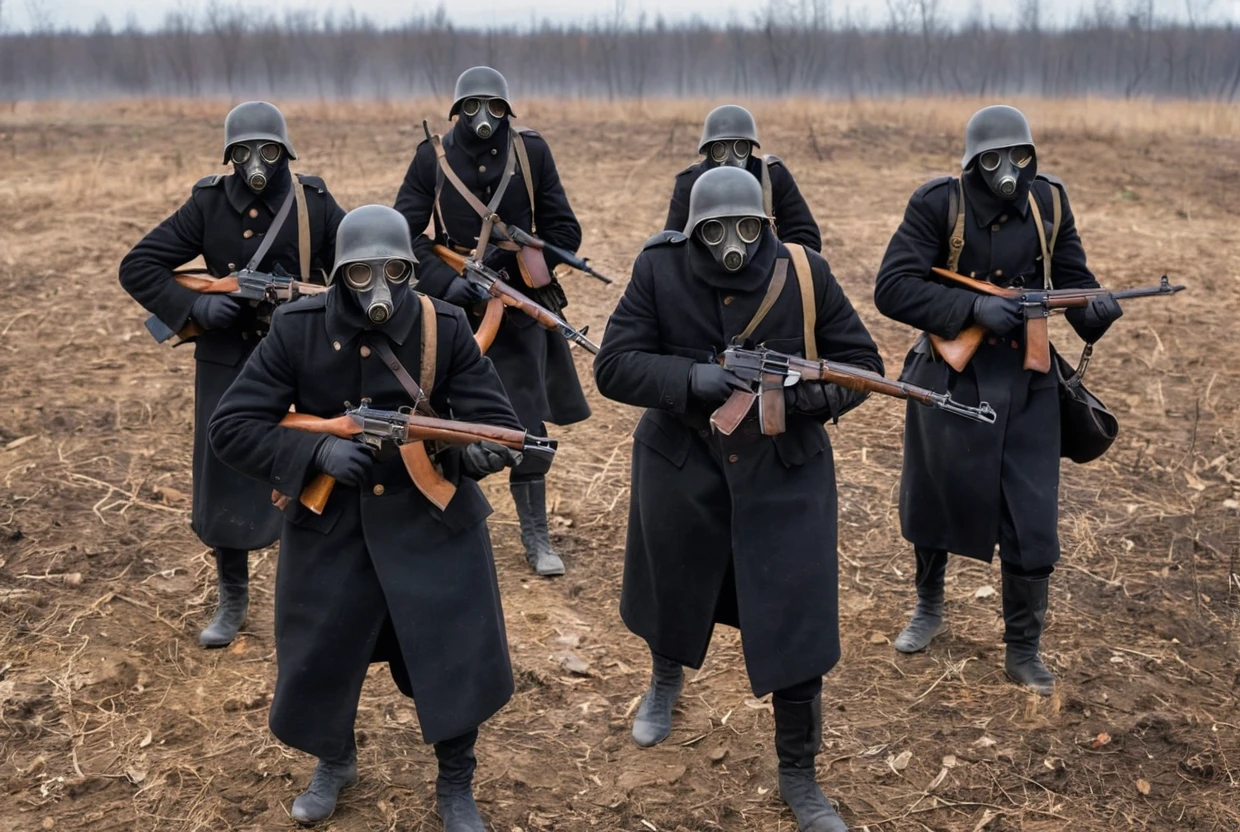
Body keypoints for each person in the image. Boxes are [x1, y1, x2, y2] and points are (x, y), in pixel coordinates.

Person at [208, 205, 521, 831]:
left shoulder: (444, 327)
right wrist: (316, 448)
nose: (380, 288)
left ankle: (456, 783)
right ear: (337, 274)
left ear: (411, 268)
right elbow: (231, 428)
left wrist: (485, 454)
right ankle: (334, 760)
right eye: (361, 274)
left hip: (431, 519)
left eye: (395, 271)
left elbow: (497, 421)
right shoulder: (296, 329)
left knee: (453, 654)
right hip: (331, 522)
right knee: (323, 655)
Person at [594, 167, 882, 832]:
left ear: (765, 226)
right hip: (682, 465)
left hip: (785, 473)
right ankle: (664, 685)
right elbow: (614, 365)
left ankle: (799, 775)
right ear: (693, 229)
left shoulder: (806, 274)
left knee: (796, 623)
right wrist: (694, 378)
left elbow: (862, 363)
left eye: (747, 229)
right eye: (716, 231)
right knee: (674, 590)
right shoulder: (658, 270)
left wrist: (809, 397)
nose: (733, 243)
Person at [873, 105, 1124, 695]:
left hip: (1027, 375)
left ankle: (1023, 647)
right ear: (971, 164)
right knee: (935, 497)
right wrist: (970, 308)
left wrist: (1095, 315)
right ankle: (929, 608)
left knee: (1031, 515)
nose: (1007, 170)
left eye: (1019, 157)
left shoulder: (1051, 204)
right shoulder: (939, 204)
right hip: (948, 375)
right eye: (992, 160)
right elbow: (893, 286)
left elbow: (1070, 282)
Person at [118, 101, 345, 648]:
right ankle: (232, 596)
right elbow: (139, 266)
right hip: (228, 361)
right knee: (225, 472)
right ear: (229, 157)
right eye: (244, 153)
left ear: (285, 152)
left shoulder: (313, 202)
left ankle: (314, 596)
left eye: (268, 151)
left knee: (313, 464)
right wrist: (195, 310)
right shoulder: (208, 204)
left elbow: (349, 276)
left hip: (299, 359)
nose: (257, 162)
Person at [394, 65, 589, 578]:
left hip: (518, 311)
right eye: (474, 108)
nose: (485, 118)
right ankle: (454, 527)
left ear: (507, 111)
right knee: (450, 420)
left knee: (524, 421)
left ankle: (535, 536)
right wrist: (445, 281)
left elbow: (565, 228)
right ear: (458, 111)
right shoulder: (431, 158)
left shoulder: (531, 153)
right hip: (454, 315)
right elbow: (404, 235)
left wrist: (526, 261)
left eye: (495, 108)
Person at [664, 104, 821, 252]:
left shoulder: (770, 177)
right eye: (720, 149)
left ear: (750, 148)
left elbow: (806, 238)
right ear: (709, 151)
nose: (730, 158)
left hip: (763, 273)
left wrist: (773, 262)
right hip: (705, 272)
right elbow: (672, 244)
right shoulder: (691, 182)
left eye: (739, 148)